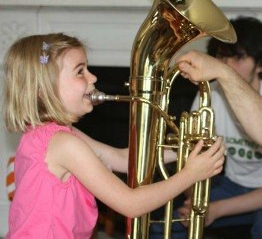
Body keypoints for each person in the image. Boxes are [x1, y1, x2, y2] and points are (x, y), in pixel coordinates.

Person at [3, 33, 225, 238]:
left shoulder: (51, 135)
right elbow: (130, 204)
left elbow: (119, 158)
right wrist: (190, 174)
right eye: (80, 71)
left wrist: (184, 151)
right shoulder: (63, 143)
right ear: (45, 89)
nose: (93, 77)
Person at [176, 16, 262, 239]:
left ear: (260, 64)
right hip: (232, 185)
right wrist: (194, 199)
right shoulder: (211, 92)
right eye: (222, 56)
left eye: (238, 58)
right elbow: (193, 151)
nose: (227, 65)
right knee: (166, 226)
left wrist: (217, 209)